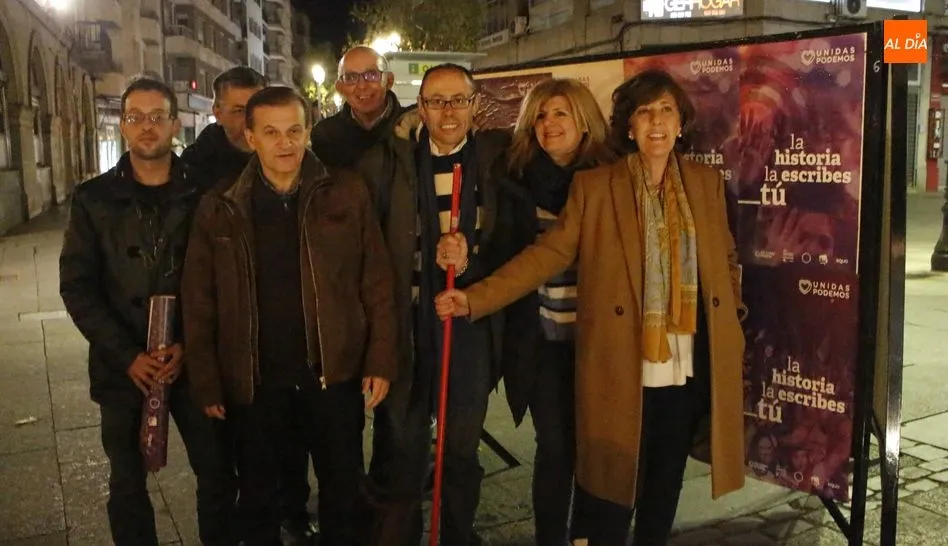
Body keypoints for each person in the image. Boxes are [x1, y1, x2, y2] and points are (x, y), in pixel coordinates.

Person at [435, 69, 748, 545]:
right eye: (644, 113)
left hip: (686, 359)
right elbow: (546, 255)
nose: (656, 122)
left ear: (680, 122)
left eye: (666, 110)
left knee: (666, 477)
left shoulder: (704, 182)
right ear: (629, 127)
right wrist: (474, 298)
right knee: (611, 484)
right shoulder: (600, 186)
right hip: (627, 360)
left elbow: (724, 257)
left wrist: (733, 315)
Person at [181, 86, 398, 546]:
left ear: (308, 131)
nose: (286, 143)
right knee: (260, 498)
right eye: (272, 132)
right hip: (256, 380)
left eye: (295, 130)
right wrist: (206, 378)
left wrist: (380, 359)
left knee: (343, 491)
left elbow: (376, 281)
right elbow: (199, 301)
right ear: (251, 136)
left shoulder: (345, 191)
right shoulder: (220, 206)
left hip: (332, 374)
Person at [59, 77, 236, 546]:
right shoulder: (93, 199)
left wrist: (190, 344)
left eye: (158, 116)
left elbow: (226, 281)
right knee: (127, 482)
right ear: (122, 126)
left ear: (176, 124)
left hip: (194, 362)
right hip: (124, 368)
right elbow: (77, 286)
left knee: (217, 473)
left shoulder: (206, 194)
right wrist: (127, 355)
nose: (147, 126)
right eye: (135, 117)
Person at [356, 63, 510, 545]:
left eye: (458, 100)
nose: (448, 112)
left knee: (461, 451)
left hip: (469, 328)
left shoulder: (496, 162)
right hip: (406, 326)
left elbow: (513, 241)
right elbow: (369, 248)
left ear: (474, 105)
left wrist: (472, 255)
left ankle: (458, 535)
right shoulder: (389, 162)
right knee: (402, 445)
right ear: (420, 106)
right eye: (436, 101)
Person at [493, 78, 615, 545]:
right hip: (541, 339)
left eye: (561, 113)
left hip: (597, 340)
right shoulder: (515, 178)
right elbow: (505, 256)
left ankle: (588, 537)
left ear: (584, 119)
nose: (549, 124)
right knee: (556, 448)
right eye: (541, 115)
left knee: (595, 446)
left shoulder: (612, 176)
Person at [310, 45, 410, 168]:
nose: (362, 85)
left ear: (389, 81)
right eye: (351, 78)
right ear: (340, 88)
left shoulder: (411, 129)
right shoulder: (325, 136)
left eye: (372, 75)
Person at [181, 66, 268, 183]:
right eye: (239, 111)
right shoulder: (194, 168)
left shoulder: (287, 156)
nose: (250, 120)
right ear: (218, 114)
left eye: (257, 110)